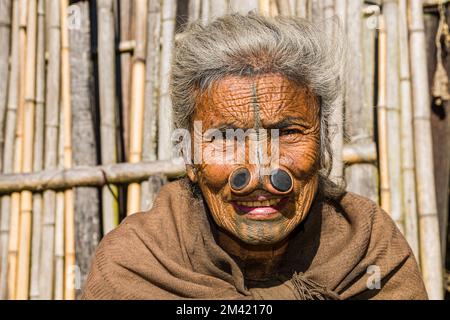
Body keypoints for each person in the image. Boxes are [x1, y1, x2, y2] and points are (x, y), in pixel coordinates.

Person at [82, 13, 427, 300]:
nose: (261, 172)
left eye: (288, 133)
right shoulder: (137, 265)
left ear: (323, 147)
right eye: (226, 138)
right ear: (189, 158)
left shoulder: (367, 248)